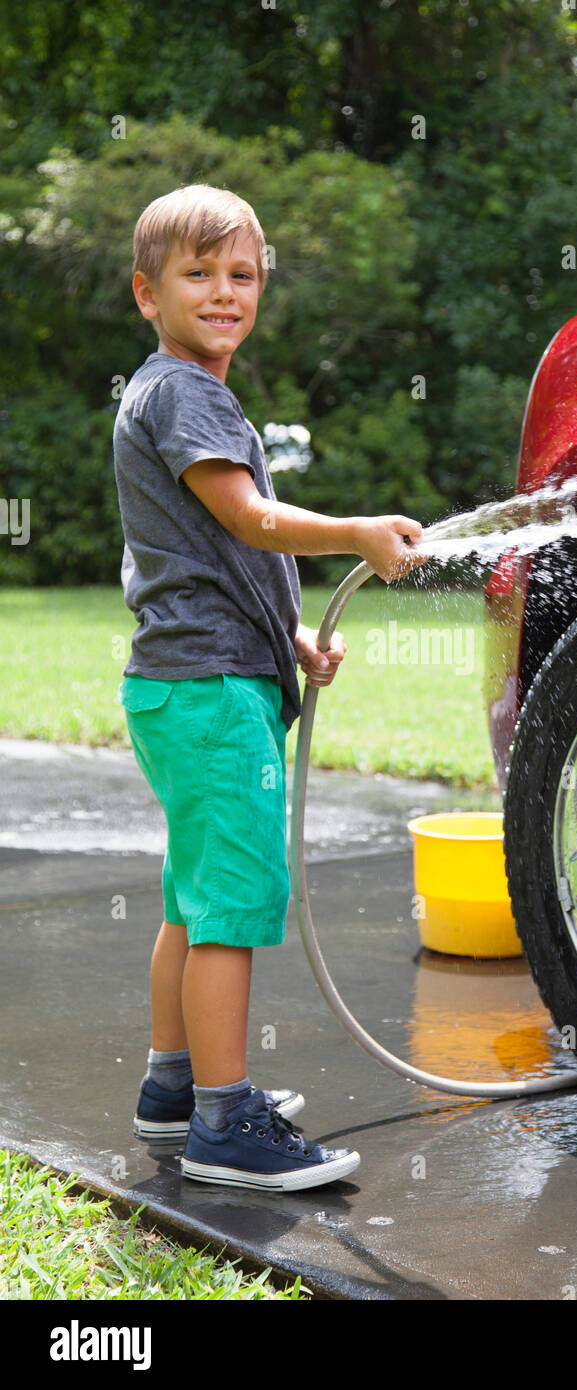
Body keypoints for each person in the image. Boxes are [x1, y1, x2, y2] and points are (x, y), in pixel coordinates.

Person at [113, 183, 427, 1191]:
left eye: (240, 275)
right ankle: (224, 1126)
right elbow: (249, 519)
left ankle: (175, 1089)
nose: (222, 292)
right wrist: (358, 534)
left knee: (192, 900)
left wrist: (287, 633)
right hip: (207, 695)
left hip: (188, 681)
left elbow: (209, 556)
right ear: (145, 293)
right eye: (196, 274)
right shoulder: (184, 394)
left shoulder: (174, 394)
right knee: (237, 906)